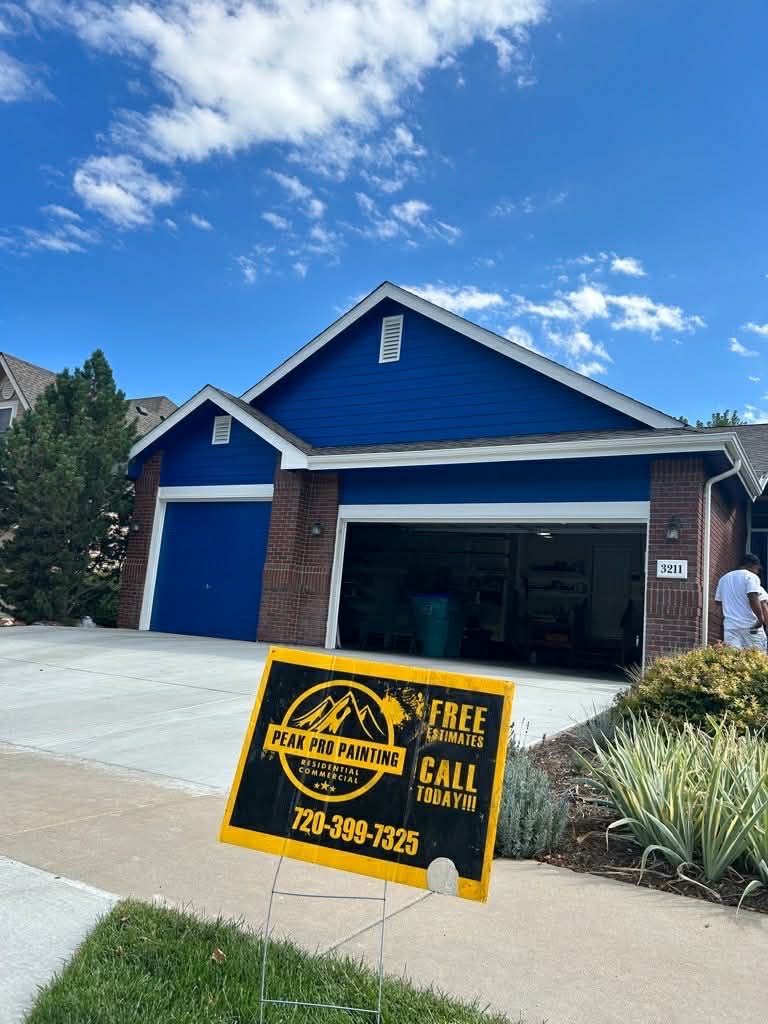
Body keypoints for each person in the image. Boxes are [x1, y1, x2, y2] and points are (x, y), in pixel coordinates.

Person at [714, 553, 767, 651]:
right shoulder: (751, 576)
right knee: (757, 658)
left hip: (731, 627)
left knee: (734, 659)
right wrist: (760, 619)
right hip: (750, 626)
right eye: (757, 569)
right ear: (753, 566)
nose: (757, 572)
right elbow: (752, 597)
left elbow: (718, 602)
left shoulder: (724, 579)